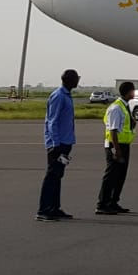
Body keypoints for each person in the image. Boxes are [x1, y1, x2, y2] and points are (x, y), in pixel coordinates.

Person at [37, 69, 79, 222]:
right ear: (68, 80)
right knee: (52, 176)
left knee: (57, 176)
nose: (78, 80)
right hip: (58, 143)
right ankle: (44, 210)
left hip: (65, 142)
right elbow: (52, 122)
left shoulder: (67, 95)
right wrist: (55, 144)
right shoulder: (59, 96)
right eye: (76, 78)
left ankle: (54, 208)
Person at [95, 81, 137, 215]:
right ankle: (102, 204)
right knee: (111, 175)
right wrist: (117, 151)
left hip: (124, 144)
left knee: (120, 176)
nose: (134, 93)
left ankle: (113, 202)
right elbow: (113, 131)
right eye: (133, 90)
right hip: (115, 145)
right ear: (128, 92)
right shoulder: (116, 108)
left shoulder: (125, 106)